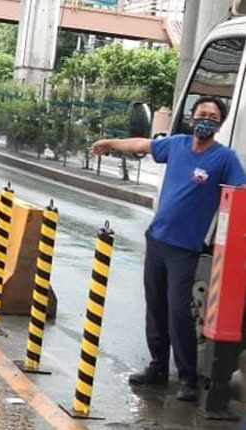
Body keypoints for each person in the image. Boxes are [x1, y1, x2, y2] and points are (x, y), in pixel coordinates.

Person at [91, 96, 246, 402]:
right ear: (192, 116)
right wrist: (109, 142)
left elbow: (239, 193)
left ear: (220, 124)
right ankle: (158, 368)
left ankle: (187, 378)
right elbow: (141, 144)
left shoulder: (224, 158)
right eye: (202, 114)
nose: (206, 120)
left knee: (178, 312)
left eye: (212, 117)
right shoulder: (175, 145)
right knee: (156, 307)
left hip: (185, 249)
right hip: (157, 240)